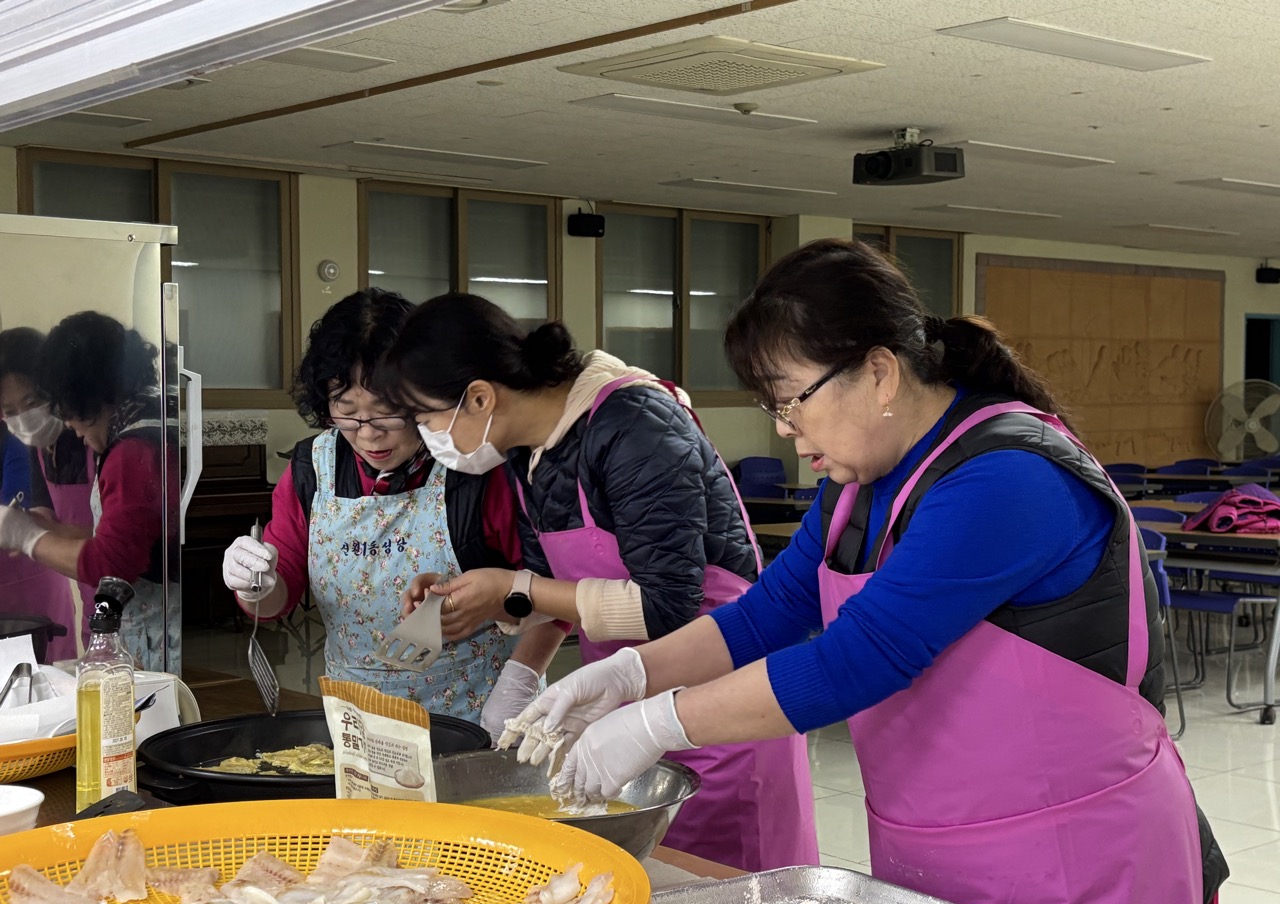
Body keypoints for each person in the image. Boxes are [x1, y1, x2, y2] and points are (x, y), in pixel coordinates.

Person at [507, 239, 1222, 904]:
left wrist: (656, 722)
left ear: (879, 372)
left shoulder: (1010, 476)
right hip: (933, 844)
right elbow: (766, 613)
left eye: (791, 400)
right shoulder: (857, 488)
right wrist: (631, 674)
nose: (784, 429)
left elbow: (859, 659)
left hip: (1074, 854)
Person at [381, 292, 818, 873]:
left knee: (726, 884)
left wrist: (512, 588)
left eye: (426, 417)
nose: (426, 434)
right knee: (645, 879)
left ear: (480, 397)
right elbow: (554, 587)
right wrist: (490, 620)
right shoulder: (528, 452)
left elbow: (667, 605)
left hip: (719, 699)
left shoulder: (636, 423)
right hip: (622, 700)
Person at [220, 289, 562, 732]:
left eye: (388, 413)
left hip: (477, 716)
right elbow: (275, 599)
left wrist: (521, 679)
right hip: (358, 722)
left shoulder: (476, 466)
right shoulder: (313, 469)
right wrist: (255, 586)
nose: (368, 434)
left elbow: (555, 592)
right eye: (347, 412)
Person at [0, 312, 178, 672]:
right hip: (126, 616)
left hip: (157, 627)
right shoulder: (142, 420)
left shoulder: (130, 451)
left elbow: (111, 562)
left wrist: (29, 537)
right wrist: (45, 528)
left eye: (58, 408)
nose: (70, 427)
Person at [0, 327, 96, 659]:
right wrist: (28, 523)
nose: (23, 420)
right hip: (91, 592)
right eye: (9, 411)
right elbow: (48, 516)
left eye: (31, 403)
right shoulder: (38, 446)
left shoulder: (90, 437)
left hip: (128, 587)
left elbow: (112, 538)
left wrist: (28, 535)